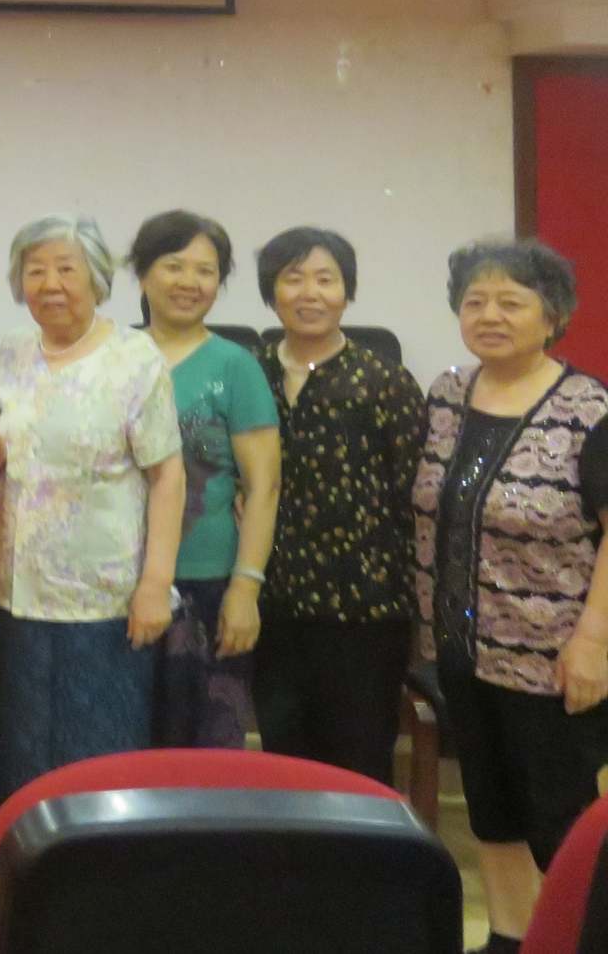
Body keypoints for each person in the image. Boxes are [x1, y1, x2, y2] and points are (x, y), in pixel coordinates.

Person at [414, 238, 608, 954]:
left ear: (552, 315)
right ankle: (508, 937)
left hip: (552, 657)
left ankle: (578, 938)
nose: (490, 315)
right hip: (461, 648)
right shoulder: (447, 394)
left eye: (511, 302)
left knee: (560, 819)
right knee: (491, 810)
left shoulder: (589, 409)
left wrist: (594, 641)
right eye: (475, 301)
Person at [0, 214, 185, 809]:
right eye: (35, 271)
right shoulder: (13, 352)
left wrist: (156, 584)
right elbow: (15, 447)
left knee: (97, 765)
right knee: (18, 763)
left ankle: (99, 868)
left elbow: (167, 476)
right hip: (14, 595)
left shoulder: (135, 358)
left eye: (66, 269)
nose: (50, 284)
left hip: (103, 604)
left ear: (96, 279)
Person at [249, 226, 423, 784]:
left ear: (347, 292)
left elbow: (412, 497)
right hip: (272, 605)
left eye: (326, 279)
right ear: (271, 291)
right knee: (284, 761)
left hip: (365, 613)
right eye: (293, 278)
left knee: (360, 765)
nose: (310, 293)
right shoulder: (250, 373)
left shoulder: (385, 382)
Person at [128, 210, 279, 750]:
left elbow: (263, 488)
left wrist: (246, 587)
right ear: (142, 275)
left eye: (205, 271)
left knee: (206, 752)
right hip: (118, 584)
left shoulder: (236, 366)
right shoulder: (114, 357)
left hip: (208, 585)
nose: (189, 282)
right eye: (174, 266)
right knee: (127, 748)